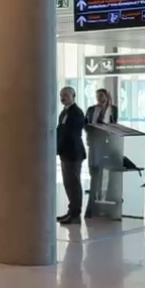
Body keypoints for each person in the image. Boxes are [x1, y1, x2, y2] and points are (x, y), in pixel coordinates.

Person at [57, 85, 87, 225]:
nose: (63, 97)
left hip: (73, 152)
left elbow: (71, 133)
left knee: (73, 184)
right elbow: (60, 131)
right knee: (68, 183)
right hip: (65, 153)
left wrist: (60, 146)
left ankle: (75, 214)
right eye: (61, 95)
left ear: (73, 96)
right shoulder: (64, 112)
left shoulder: (76, 112)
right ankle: (71, 211)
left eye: (66, 95)